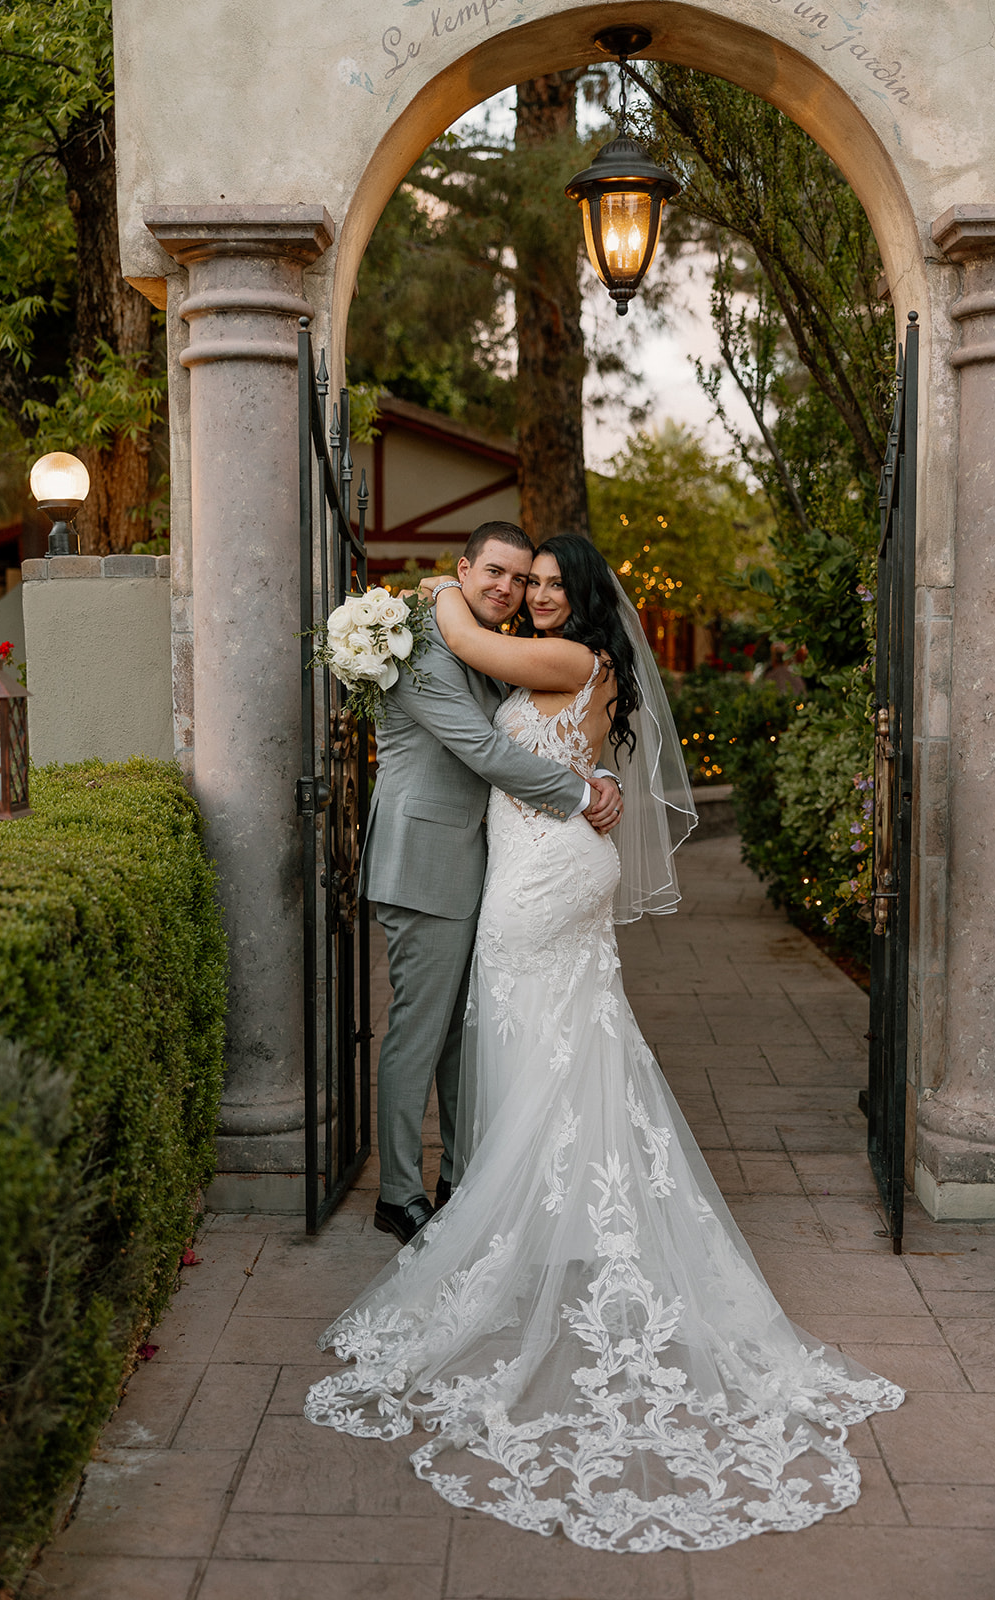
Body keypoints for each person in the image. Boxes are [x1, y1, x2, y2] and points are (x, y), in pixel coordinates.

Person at [307, 535, 904, 1554]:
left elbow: (475, 663)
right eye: (514, 579)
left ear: (577, 598)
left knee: (530, 1035)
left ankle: (509, 1218)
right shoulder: (552, 657)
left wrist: (425, 600)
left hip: (541, 875)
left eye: (543, 582)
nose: (526, 594)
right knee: (551, 1041)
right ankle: (511, 1203)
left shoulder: (559, 657)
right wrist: (574, 778)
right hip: (536, 863)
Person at [359, 521, 623, 1246]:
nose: (510, 589)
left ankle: (463, 1175)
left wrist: (597, 772)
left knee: (458, 1036)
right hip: (425, 862)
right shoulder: (415, 645)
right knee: (420, 1032)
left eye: (525, 578)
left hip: (493, 862)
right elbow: (479, 747)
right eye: (498, 573)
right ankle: (399, 1194)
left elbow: (552, 726)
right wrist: (579, 796)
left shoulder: (496, 648)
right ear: (464, 568)